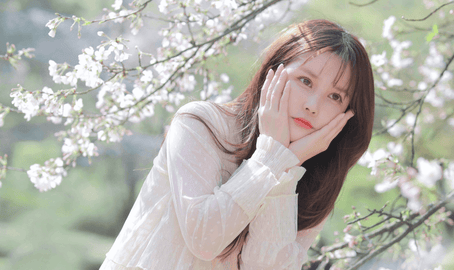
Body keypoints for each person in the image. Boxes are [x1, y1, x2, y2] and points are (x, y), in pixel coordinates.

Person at [100, 19, 375, 270]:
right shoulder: (200, 124)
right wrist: (271, 157)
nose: (312, 106)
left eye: (335, 97)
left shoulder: (319, 181)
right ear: (272, 72)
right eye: (305, 81)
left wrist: (287, 170)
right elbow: (204, 240)